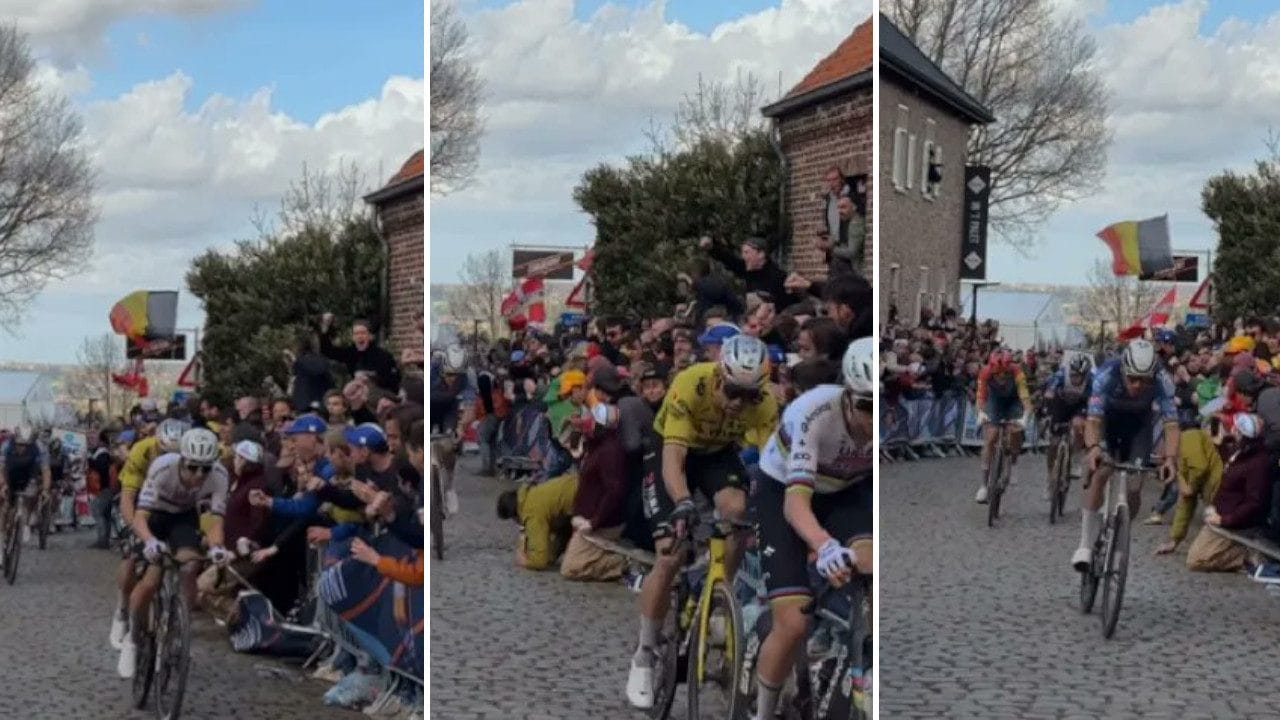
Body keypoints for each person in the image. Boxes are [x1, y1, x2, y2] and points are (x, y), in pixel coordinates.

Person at [626, 334, 778, 709]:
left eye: (749, 396)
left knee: (738, 511)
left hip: (717, 455)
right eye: (732, 392)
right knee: (669, 552)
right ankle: (644, 653)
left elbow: (777, 465)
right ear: (717, 378)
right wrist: (680, 502)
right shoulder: (689, 384)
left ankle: (719, 590)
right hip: (670, 448)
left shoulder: (764, 404)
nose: (738, 404)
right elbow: (673, 462)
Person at [748, 338, 874, 720]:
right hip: (783, 490)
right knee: (792, 621)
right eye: (865, 407)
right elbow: (795, 504)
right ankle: (763, 711)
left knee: (869, 563)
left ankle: (852, 649)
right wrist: (823, 544)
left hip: (845, 490)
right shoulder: (813, 411)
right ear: (848, 397)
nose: (872, 420)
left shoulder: (883, 422)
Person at [118, 427, 230, 678]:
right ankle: (133, 639)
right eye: (192, 467)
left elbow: (215, 521)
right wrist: (149, 541)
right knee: (151, 578)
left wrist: (217, 548)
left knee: (190, 565)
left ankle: (180, 623)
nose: (199, 475)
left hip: (183, 517)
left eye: (205, 468)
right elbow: (140, 517)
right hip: (155, 515)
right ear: (182, 460)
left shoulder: (220, 475)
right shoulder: (162, 468)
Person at [1074, 339, 1180, 571]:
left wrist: (1171, 458)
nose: (1137, 385)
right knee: (1101, 470)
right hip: (1107, 422)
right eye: (1132, 378)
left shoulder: (1163, 380)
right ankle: (1085, 544)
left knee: (1134, 485)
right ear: (1123, 370)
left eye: (1144, 380)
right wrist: (1093, 448)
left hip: (1139, 427)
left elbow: (1171, 424)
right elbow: (1093, 420)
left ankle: (1120, 532)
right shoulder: (1106, 374)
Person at [1185, 413, 1271, 572]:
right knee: (1197, 556)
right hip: (1221, 513)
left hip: (1233, 522)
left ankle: (1245, 556)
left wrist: (1226, 520)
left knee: (1197, 559)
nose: (1232, 430)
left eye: (1236, 429)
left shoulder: (1258, 463)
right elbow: (1228, 463)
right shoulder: (1238, 450)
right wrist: (1219, 443)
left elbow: (1254, 502)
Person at [974, 349, 1032, 503]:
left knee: (1014, 431)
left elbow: (1025, 397)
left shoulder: (1018, 372)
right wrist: (980, 412)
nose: (1001, 377)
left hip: (1014, 401)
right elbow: (980, 396)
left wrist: (1025, 417)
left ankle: (1013, 462)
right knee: (991, 437)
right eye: (997, 375)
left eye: (1005, 374)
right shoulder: (985, 372)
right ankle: (984, 485)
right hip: (994, 401)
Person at [1042, 353, 1093, 500]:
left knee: (1078, 425)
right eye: (1073, 374)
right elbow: (1049, 393)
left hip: (1079, 407)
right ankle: (1049, 479)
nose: (1075, 377)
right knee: (1053, 443)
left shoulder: (1092, 381)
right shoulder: (1060, 375)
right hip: (1061, 406)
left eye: (1079, 375)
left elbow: (1097, 400)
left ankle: (1076, 458)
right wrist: (1047, 406)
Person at [318, 313, 401, 393]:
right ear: (353, 337)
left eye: (363, 333)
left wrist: (372, 378)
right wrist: (326, 328)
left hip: (377, 393)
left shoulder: (383, 356)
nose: (359, 336)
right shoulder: (350, 353)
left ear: (370, 336)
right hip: (357, 394)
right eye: (356, 334)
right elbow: (327, 351)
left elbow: (393, 380)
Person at [0, 425, 52, 552]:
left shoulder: (40, 447)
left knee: (32, 493)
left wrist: (45, 490)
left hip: (30, 475)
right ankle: (2, 536)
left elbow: (45, 471)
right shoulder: (6, 446)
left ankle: (25, 522)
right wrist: (3, 485)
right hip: (11, 473)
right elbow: (1, 469)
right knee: (4, 503)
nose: (21, 447)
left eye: (25, 445)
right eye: (19, 444)